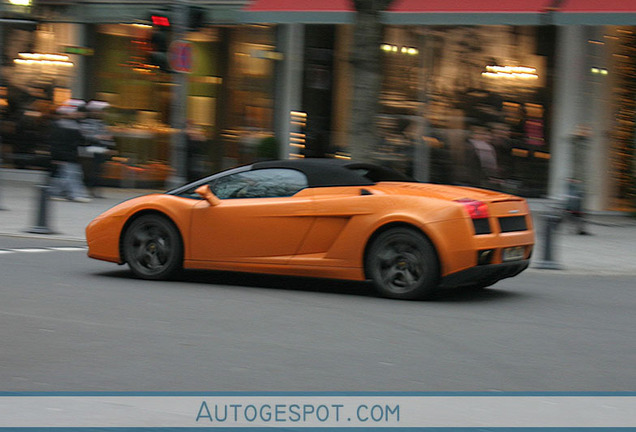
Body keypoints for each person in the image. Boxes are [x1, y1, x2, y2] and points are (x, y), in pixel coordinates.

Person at [48, 102, 91, 202]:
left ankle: (55, 192)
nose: (81, 115)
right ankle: (74, 194)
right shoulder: (67, 125)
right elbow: (59, 142)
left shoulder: (66, 124)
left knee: (63, 175)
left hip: (66, 154)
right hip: (66, 154)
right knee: (70, 174)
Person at [79, 100, 115, 198]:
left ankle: (94, 190)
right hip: (90, 149)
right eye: (98, 111)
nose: (101, 113)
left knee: (98, 171)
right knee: (91, 170)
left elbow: (107, 136)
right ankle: (90, 190)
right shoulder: (86, 122)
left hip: (99, 150)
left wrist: (109, 146)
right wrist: (99, 137)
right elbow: (86, 135)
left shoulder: (101, 123)